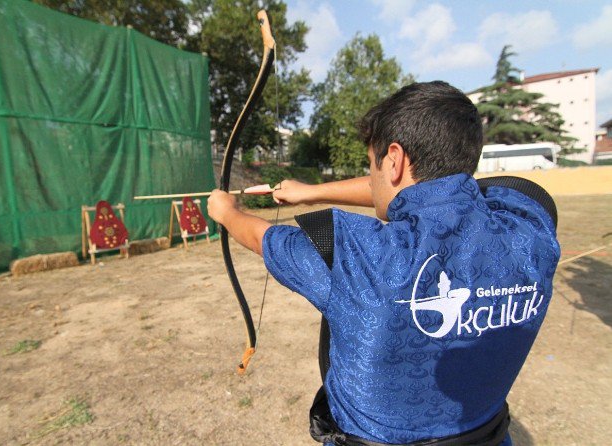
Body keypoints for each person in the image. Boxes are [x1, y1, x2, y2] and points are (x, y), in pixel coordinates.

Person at [208, 81, 560, 445]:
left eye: (372, 164)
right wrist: (309, 192)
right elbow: (450, 190)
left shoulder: (355, 253)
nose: (371, 177)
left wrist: (227, 211)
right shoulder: (531, 231)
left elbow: (262, 237)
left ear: (394, 160)